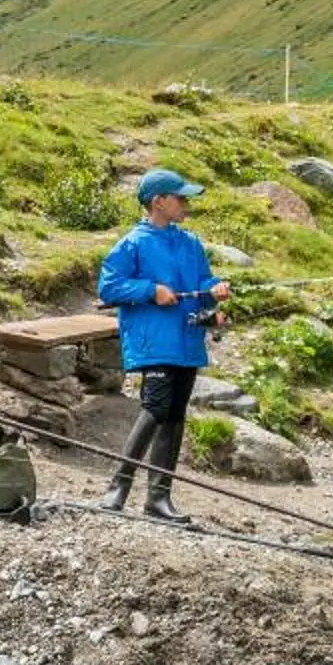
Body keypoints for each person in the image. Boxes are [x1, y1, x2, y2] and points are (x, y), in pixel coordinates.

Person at [94, 167, 229, 527]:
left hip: (186, 341)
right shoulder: (132, 243)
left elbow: (202, 282)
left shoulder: (191, 243)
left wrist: (214, 293)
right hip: (154, 341)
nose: (187, 204)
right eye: (181, 198)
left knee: (175, 414)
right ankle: (117, 488)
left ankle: (158, 498)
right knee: (155, 406)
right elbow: (109, 288)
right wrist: (151, 291)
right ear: (158, 202)